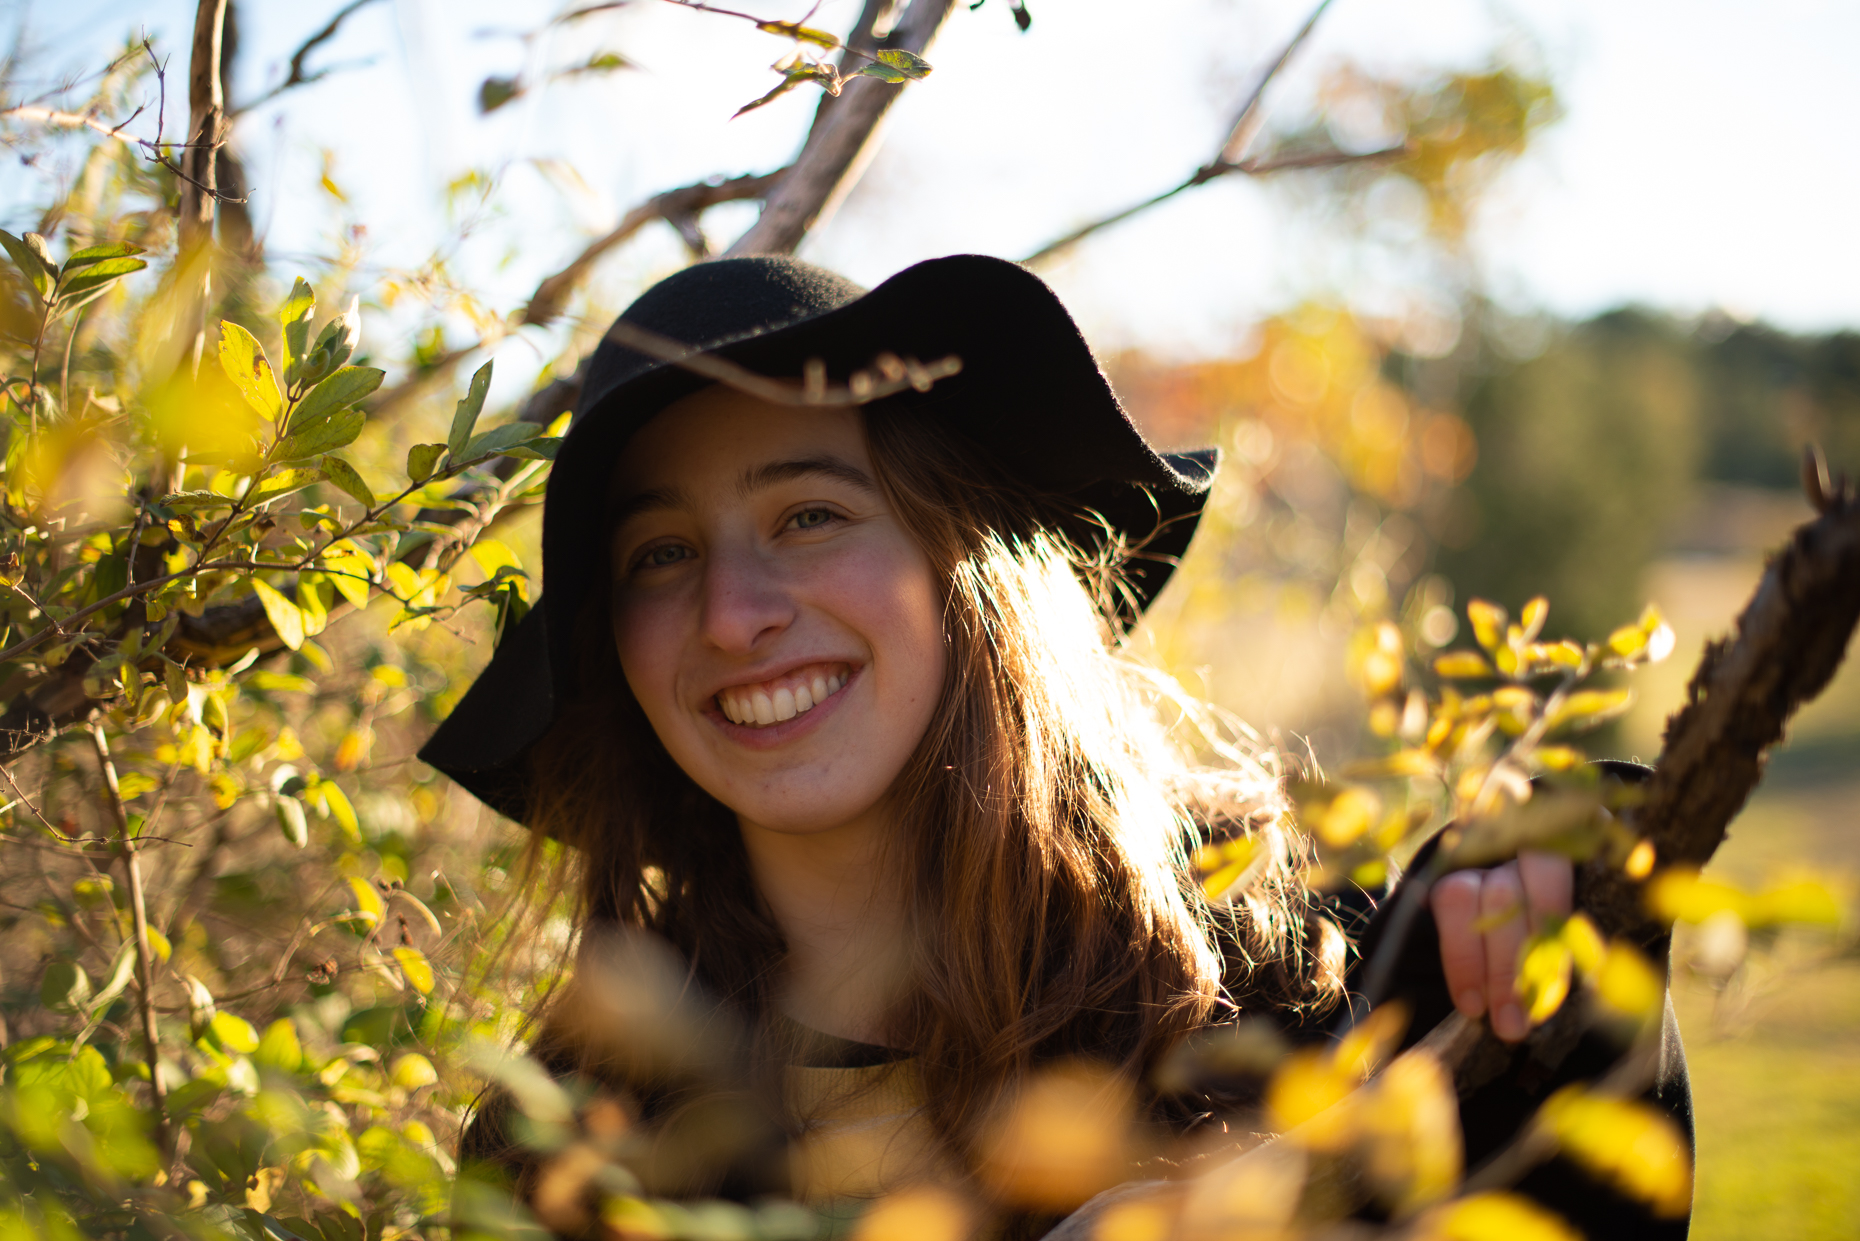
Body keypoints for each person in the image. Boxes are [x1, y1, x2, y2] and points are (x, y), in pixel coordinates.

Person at [421, 255, 1691, 1238]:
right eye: (662, 554)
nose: (733, 613)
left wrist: (1542, 908)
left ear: (961, 558)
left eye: (808, 514)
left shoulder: (1276, 984)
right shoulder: (568, 1146)